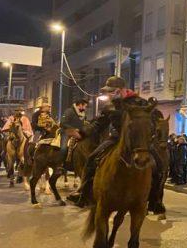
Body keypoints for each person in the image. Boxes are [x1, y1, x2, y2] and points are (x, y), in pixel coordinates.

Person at [66, 76, 158, 207]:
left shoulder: (140, 103)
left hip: (138, 141)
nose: (107, 94)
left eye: (110, 91)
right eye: (107, 91)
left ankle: (155, 199)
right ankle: (83, 193)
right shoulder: (110, 107)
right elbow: (98, 125)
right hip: (116, 138)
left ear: (120, 90)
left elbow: (151, 122)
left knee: (157, 164)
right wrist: (81, 133)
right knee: (92, 159)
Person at [60, 98, 88, 166]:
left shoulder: (83, 114)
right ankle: (60, 164)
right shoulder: (69, 111)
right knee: (63, 148)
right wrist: (74, 129)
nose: (85, 108)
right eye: (85, 106)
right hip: (67, 132)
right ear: (80, 105)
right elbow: (63, 123)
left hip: (78, 132)